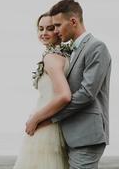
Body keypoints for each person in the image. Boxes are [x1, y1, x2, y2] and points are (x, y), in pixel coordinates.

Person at [27, 0, 112, 169]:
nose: (56, 31)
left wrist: (49, 118)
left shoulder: (96, 47)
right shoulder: (72, 50)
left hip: (86, 134)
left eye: (57, 25)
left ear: (73, 21)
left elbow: (87, 94)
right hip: (72, 134)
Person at [13, 13, 72, 169]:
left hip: (45, 127)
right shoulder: (65, 56)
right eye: (40, 29)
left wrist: (35, 119)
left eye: (50, 28)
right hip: (52, 123)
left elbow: (64, 96)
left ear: (58, 31)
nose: (43, 33)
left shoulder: (52, 58)